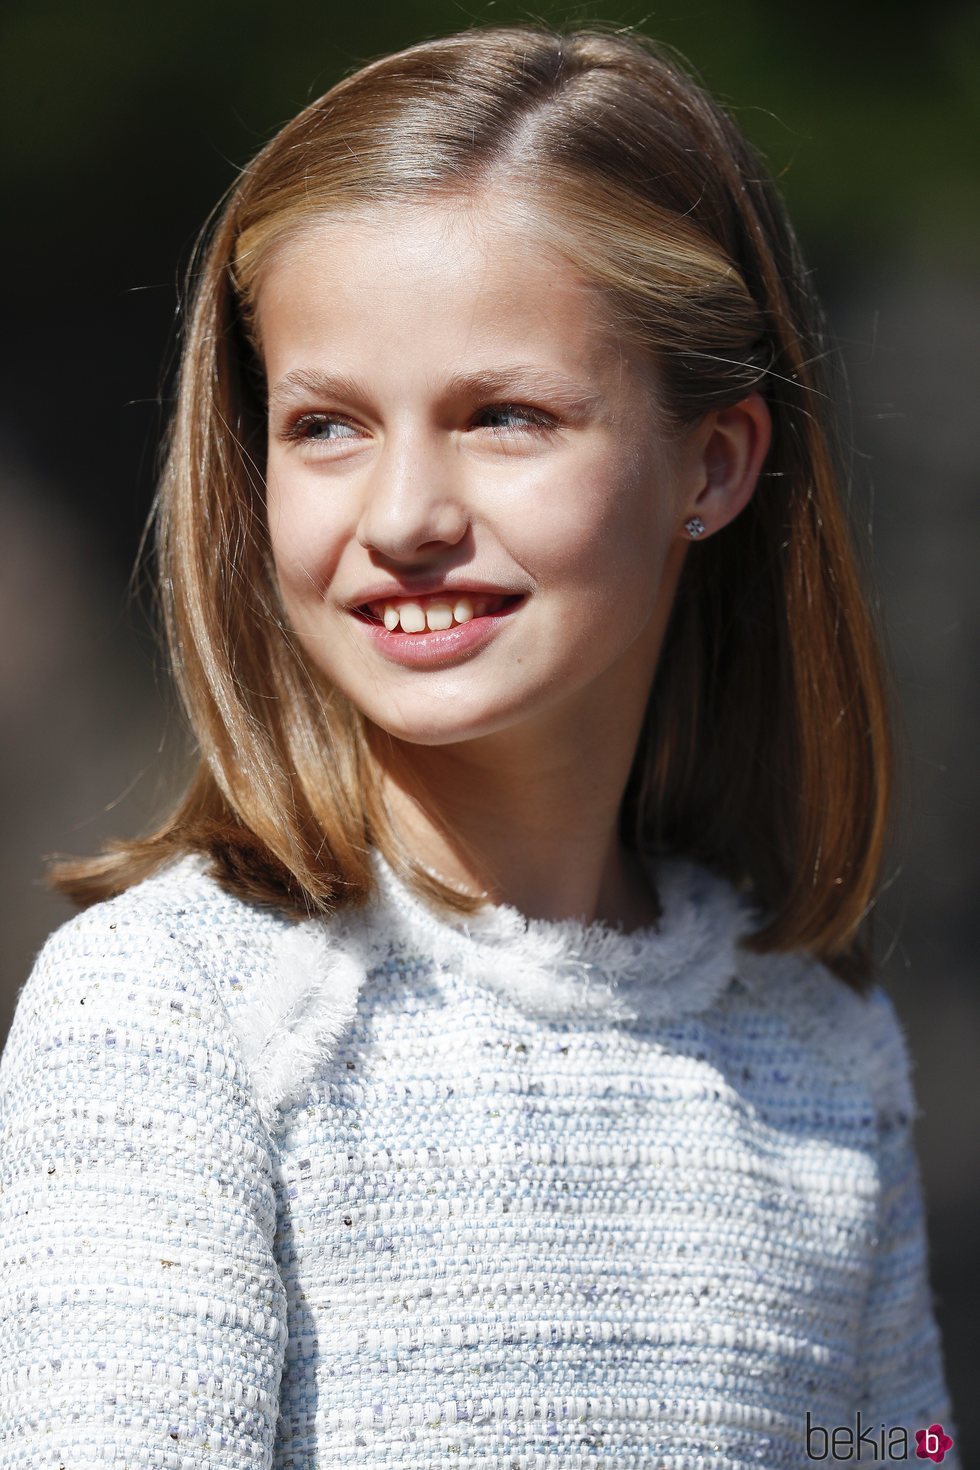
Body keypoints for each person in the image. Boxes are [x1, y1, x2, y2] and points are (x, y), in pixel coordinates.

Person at [0, 23, 960, 1469]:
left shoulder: (827, 1056)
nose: (403, 516)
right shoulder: (174, 1010)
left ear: (714, 463)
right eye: (326, 425)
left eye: (503, 416)